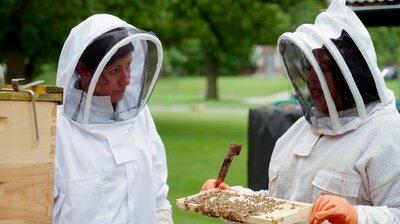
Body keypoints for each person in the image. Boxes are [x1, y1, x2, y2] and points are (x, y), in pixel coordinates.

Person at [201, 0, 400, 223]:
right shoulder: (299, 131)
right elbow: (281, 205)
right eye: (309, 66)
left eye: (323, 68)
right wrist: (234, 201)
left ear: (350, 73)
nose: (311, 77)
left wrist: (357, 216)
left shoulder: (388, 133)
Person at [53, 14, 173, 224]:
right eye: (115, 70)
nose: (126, 80)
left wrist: (163, 218)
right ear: (83, 70)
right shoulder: (56, 128)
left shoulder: (139, 115)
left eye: (128, 66)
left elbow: (157, 188)